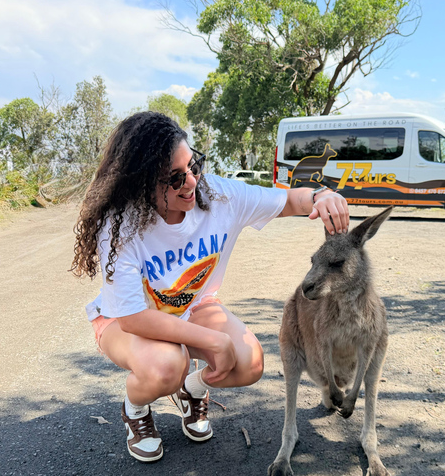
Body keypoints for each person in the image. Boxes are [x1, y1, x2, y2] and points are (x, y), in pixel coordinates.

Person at [71, 112, 349, 462]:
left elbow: (292, 201)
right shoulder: (121, 226)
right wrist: (213, 341)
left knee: (249, 363)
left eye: (193, 165)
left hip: (192, 309)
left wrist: (322, 196)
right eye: (173, 178)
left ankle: (192, 391)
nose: (190, 182)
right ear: (141, 183)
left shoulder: (217, 194)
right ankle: (136, 409)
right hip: (124, 321)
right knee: (168, 366)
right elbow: (134, 318)